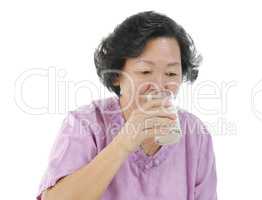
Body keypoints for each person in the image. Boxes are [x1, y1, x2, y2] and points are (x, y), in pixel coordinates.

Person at [37, 11, 217, 200]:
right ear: (116, 75)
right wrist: (124, 142)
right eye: (145, 71)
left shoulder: (196, 135)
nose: (159, 85)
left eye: (171, 74)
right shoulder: (85, 123)